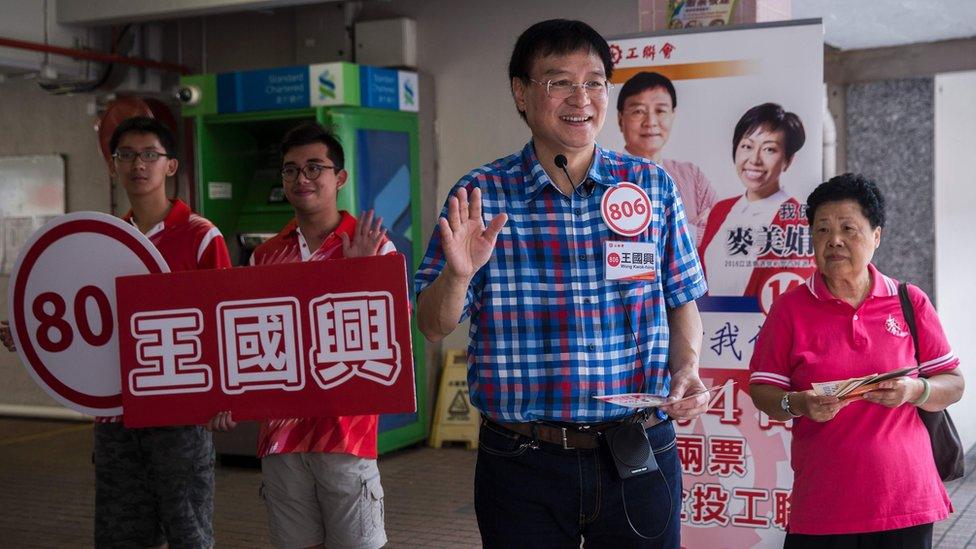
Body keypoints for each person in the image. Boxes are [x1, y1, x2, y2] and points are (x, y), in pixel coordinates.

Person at [415, 19, 709, 548]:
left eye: (594, 82)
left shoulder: (649, 185)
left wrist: (686, 368)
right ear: (521, 93)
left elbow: (681, 297)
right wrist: (459, 275)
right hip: (522, 461)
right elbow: (432, 326)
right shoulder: (481, 194)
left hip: (638, 450)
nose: (582, 98)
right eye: (559, 82)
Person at [2, 116, 232, 548]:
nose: (137, 165)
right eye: (126, 155)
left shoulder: (201, 237)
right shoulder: (105, 239)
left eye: (149, 155)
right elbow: (81, 318)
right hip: (116, 418)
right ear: (112, 166)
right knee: (120, 535)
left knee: (189, 534)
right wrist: (32, 338)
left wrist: (221, 398)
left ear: (171, 166)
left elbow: (223, 324)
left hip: (179, 416)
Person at [748, 173, 963, 548]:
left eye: (849, 228)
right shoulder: (790, 310)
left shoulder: (910, 301)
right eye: (822, 230)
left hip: (906, 500)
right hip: (823, 504)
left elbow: (954, 383)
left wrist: (916, 389)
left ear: (876, 236)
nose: (834, 240)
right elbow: (763, 390)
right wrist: (798, 403)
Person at [208, 121, 391, 549]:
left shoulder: (372, 246)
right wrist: (227, 397)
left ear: (339, 178)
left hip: (346, 435)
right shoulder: (266, 255)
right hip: (281, 438)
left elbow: (389, 337)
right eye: (290, 170)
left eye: (314, 168)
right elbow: (247, 341)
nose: (301, 179)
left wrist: (359, 273)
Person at [698, 102, 816, 299]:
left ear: (788, 160)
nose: (754, 159)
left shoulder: (798, 219)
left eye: (769, 149)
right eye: (747, 146)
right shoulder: (721, 210)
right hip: (713, 328)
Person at [617, 71, 717, 244]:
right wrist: (691, 230)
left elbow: (719, 232)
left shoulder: (692, 176)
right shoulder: (604, 176)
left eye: (660, 111)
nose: (651, 122)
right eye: (638, 111)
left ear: (672, 115)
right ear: (621, 120)